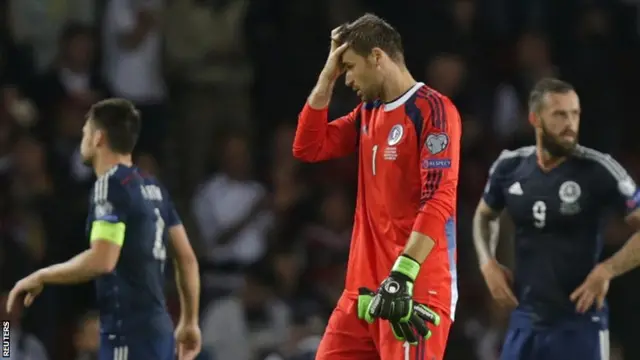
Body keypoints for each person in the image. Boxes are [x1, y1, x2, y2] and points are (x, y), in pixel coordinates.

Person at [292, 13, 461, 360]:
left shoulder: (433, 110)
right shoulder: (368, 113)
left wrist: (404, 274)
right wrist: (327, 75)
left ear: (377, 57)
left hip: (412, 291)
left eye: (350, 67)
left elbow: (438, 199)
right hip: (361, 294)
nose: (348, 79)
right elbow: (308, 146)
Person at [5, 99, 202, 360]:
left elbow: (103, 260)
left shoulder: (110, 185)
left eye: (85, 132)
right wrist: (189, 321)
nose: (82, 138)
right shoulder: (153, 187)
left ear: (98, 137)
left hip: (125, 333)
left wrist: (42, 276)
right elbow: (187, 259)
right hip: (157, 330)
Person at [473, 78, 640, 360]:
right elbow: (483, 216)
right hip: (525, 319)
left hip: (580, 322)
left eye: (575, 114)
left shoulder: (599, 169)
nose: (570, 124)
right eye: (560, 114)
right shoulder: (509, 167)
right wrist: (487, 263)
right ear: (535, 119)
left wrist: (608, 269)